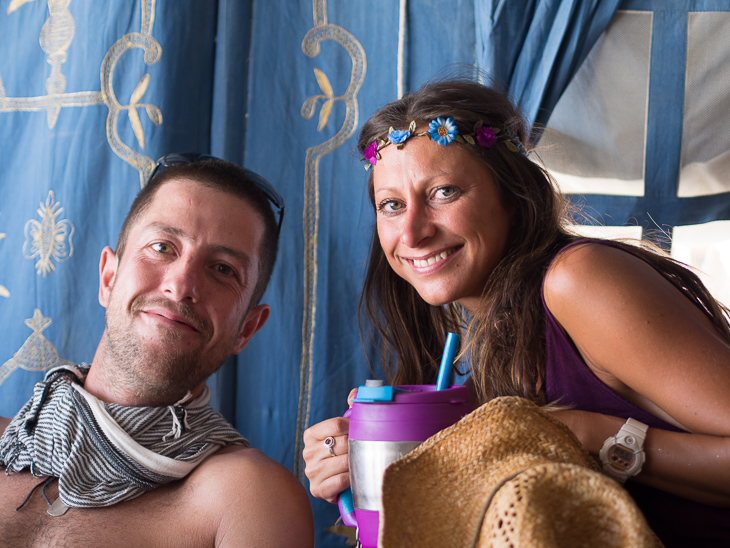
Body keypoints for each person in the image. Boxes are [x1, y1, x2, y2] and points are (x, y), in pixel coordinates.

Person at [302, 80, 730, 546]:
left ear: (513, 197)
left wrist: (589, 434)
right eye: (391, 205)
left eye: (444, 192)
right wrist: (366, 466)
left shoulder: (577, 280)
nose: (412, 231)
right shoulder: (497, 343)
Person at [0, 154, 314, 547]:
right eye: (162, 246)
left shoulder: (246, 498)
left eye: (222, 269)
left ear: (246, 329)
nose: (181, 284)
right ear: (109, 278)